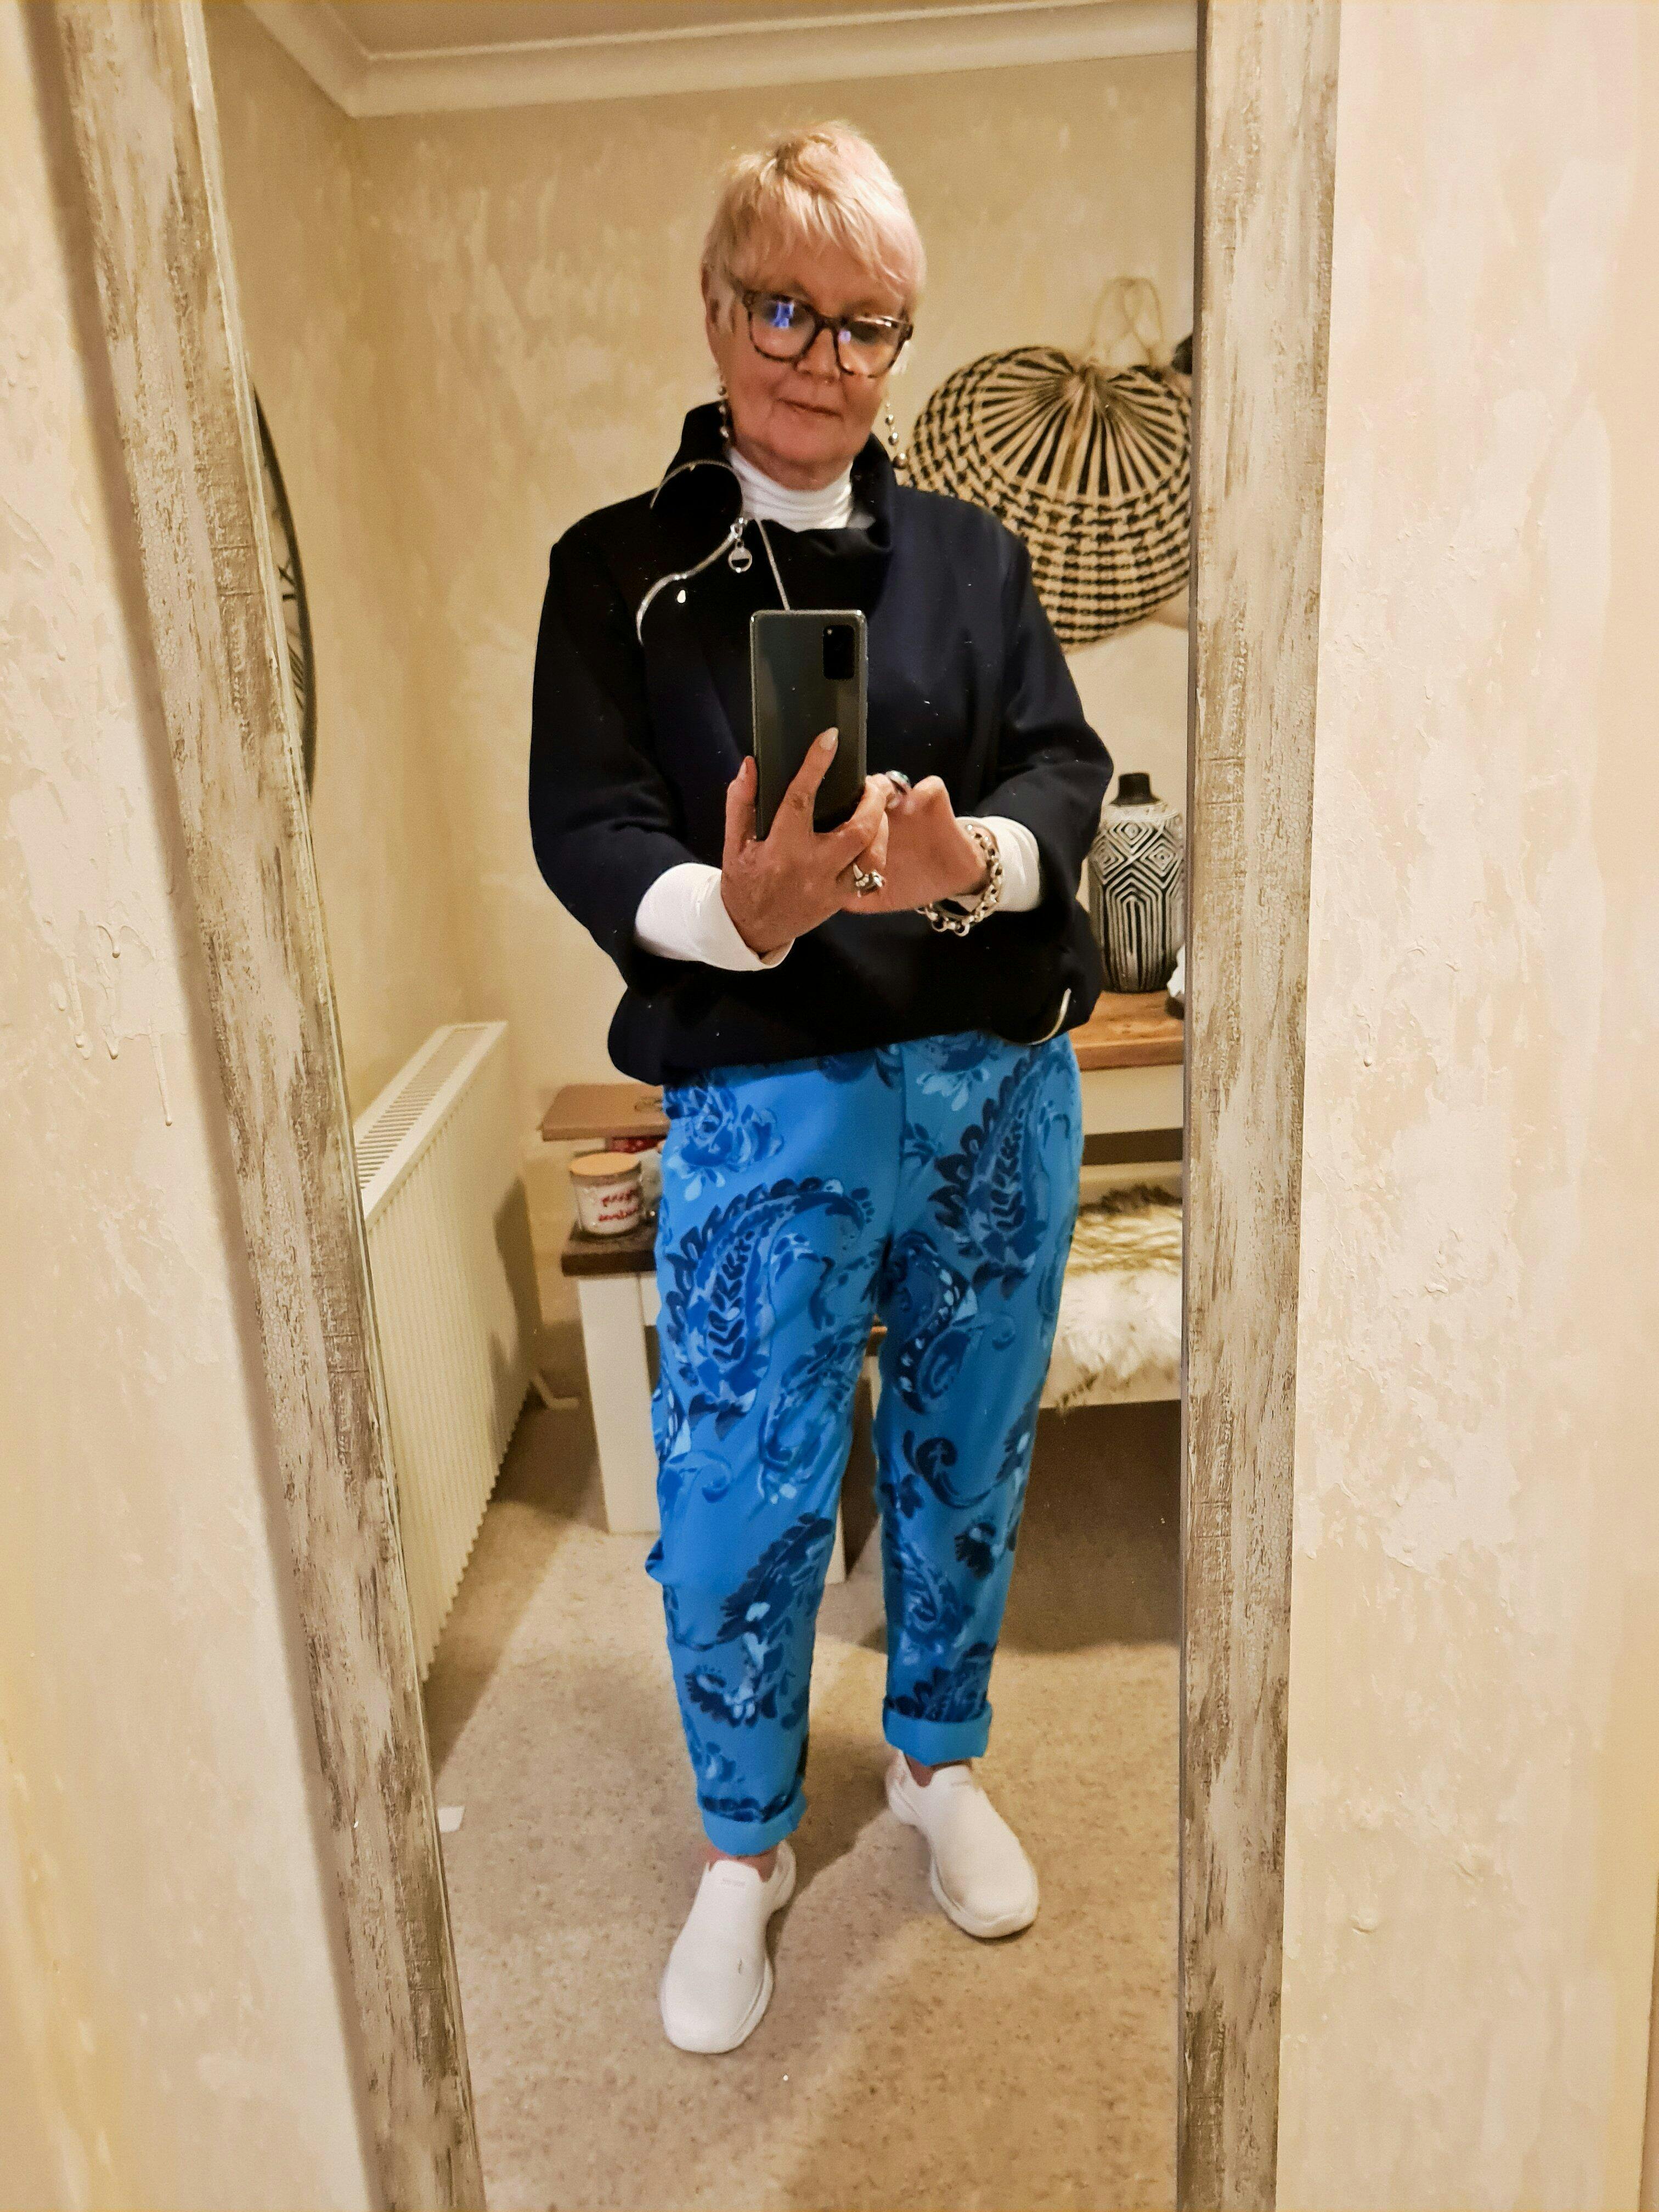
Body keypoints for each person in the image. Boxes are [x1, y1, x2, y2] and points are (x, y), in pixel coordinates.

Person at [529, 122, 1112, 2053]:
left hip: (990, 1084)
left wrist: (980, 863)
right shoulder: (618, 574)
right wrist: (737, 909)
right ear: (716, 308)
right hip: (768, 1093)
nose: (822, 356)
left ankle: (937, 1759)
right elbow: (587, 823)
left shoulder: (976, 561)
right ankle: (745, 1842)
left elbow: (1062, 766)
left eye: (867, 325)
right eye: (784, 307)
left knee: (969, 1449)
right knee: (734, 1486)